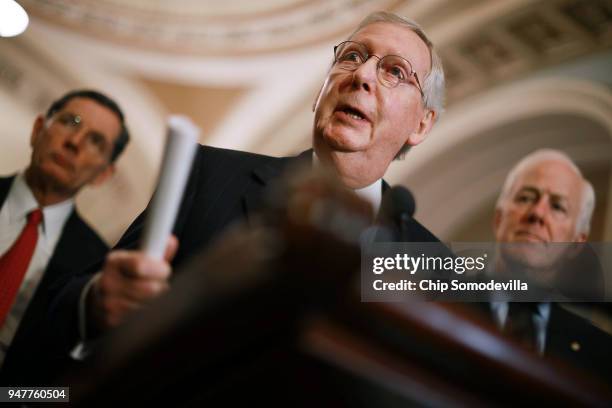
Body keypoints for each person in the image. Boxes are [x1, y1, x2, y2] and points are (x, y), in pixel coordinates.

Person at [49, 11, 446, 352]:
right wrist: (95, 304)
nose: (361, 75)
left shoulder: (439, 267)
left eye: (395, 71)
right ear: (320, 92)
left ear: (422, 124)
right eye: (352, 56)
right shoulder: (210, 176)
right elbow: (83, 300)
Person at [0, 89, 130, 384]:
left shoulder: (98, 267)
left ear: (103, 175)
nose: (74, 142)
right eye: (70, 122)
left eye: (96, 141)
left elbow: (66, 390)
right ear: (37, 131)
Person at [483, 149, 611, 378]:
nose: (538, 213)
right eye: (526, 198)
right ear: (498, 218)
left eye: (557, 207)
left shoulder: (601, 355)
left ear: (576, 243)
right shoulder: (437, 298)